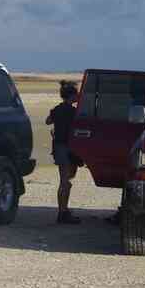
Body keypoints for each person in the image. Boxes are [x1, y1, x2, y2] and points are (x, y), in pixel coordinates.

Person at [46, 80, 82, 224]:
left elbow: (48, 121)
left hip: (60, 147)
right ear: (71, 95)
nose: (79, 96)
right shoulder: (74, 112)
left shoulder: (57, 109)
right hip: (68, 148)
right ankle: (62, 212)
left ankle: (63, 211)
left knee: (65, 180)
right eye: (77, 94)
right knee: (65, 182)